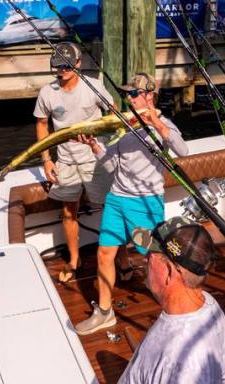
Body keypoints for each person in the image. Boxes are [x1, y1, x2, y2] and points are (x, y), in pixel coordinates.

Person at [74, 73, 188, 335]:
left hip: (144, 205)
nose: (129, 98)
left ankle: (174, 307)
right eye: (128, 94)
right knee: (104, 254)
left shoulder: (164, 125)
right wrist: (94, 146)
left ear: (149, 95)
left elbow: (183, 150)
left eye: (134, 94)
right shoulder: (126, 127)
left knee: (154, 258)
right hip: (117, 201)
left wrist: (156, 123)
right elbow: (112, 164)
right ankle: (104, 312)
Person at [34, 43, 114, 283]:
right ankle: (74, 259)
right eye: (58, 65)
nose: (63, 69)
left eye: (68, 64)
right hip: (66, 160)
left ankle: (121, 258)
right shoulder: (47, 92)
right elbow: (41, 124)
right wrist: (47, 159)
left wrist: (99, 138)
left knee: (110, 208)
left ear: (78, 64)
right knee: (68, 210)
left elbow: (113, 113)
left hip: (95, 158)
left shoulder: (94, 87)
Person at [120, 218, 225, 384]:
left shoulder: (183, 364)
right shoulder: (209, 303)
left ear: (169, 271)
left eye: (150, 255)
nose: (144, 260)